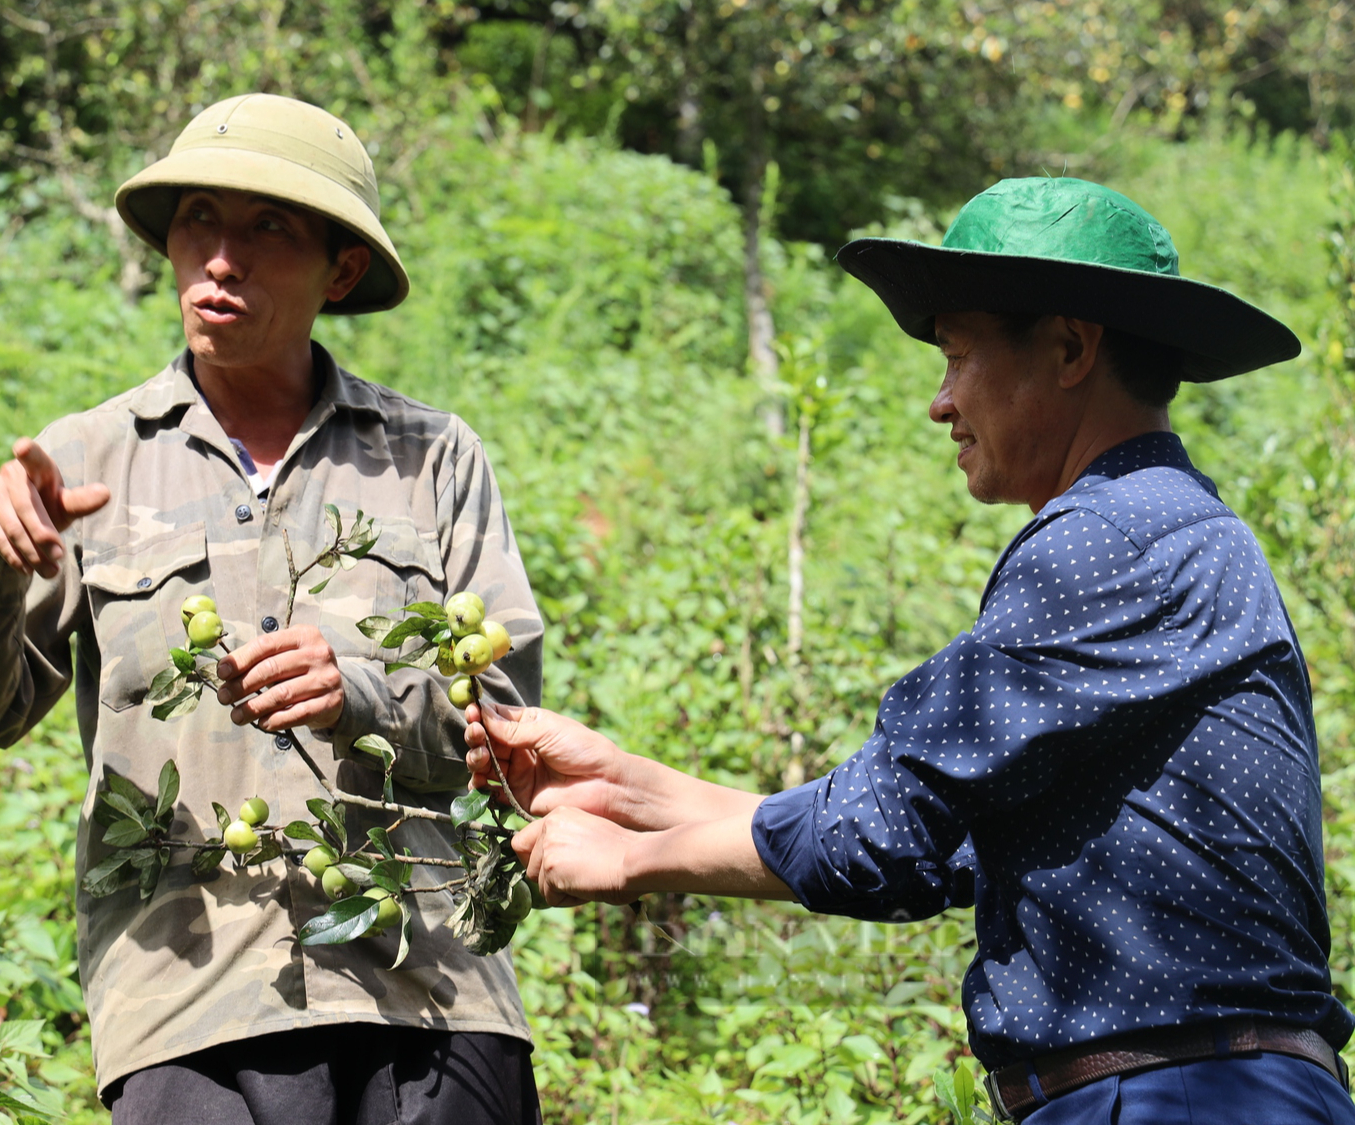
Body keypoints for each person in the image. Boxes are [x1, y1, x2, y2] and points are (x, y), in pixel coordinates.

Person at [465, 178, 1355, 1123]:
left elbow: (881, 826)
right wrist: (630, 790)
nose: (941, 403)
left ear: (1069, 347)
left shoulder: (1106, 541)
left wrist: (625, 860)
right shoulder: (1170, 532)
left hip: (1180, 1096)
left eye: (960, 356)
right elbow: (947, 844)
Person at [0, 94, 544, 1125]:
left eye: (267, 228)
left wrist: (360, 694)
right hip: (189, 1002)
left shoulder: (429, 459)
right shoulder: (89, 460)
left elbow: (509, 724)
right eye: (198, 219)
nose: (220, 260)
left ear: (339, 270)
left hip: (430, 996)